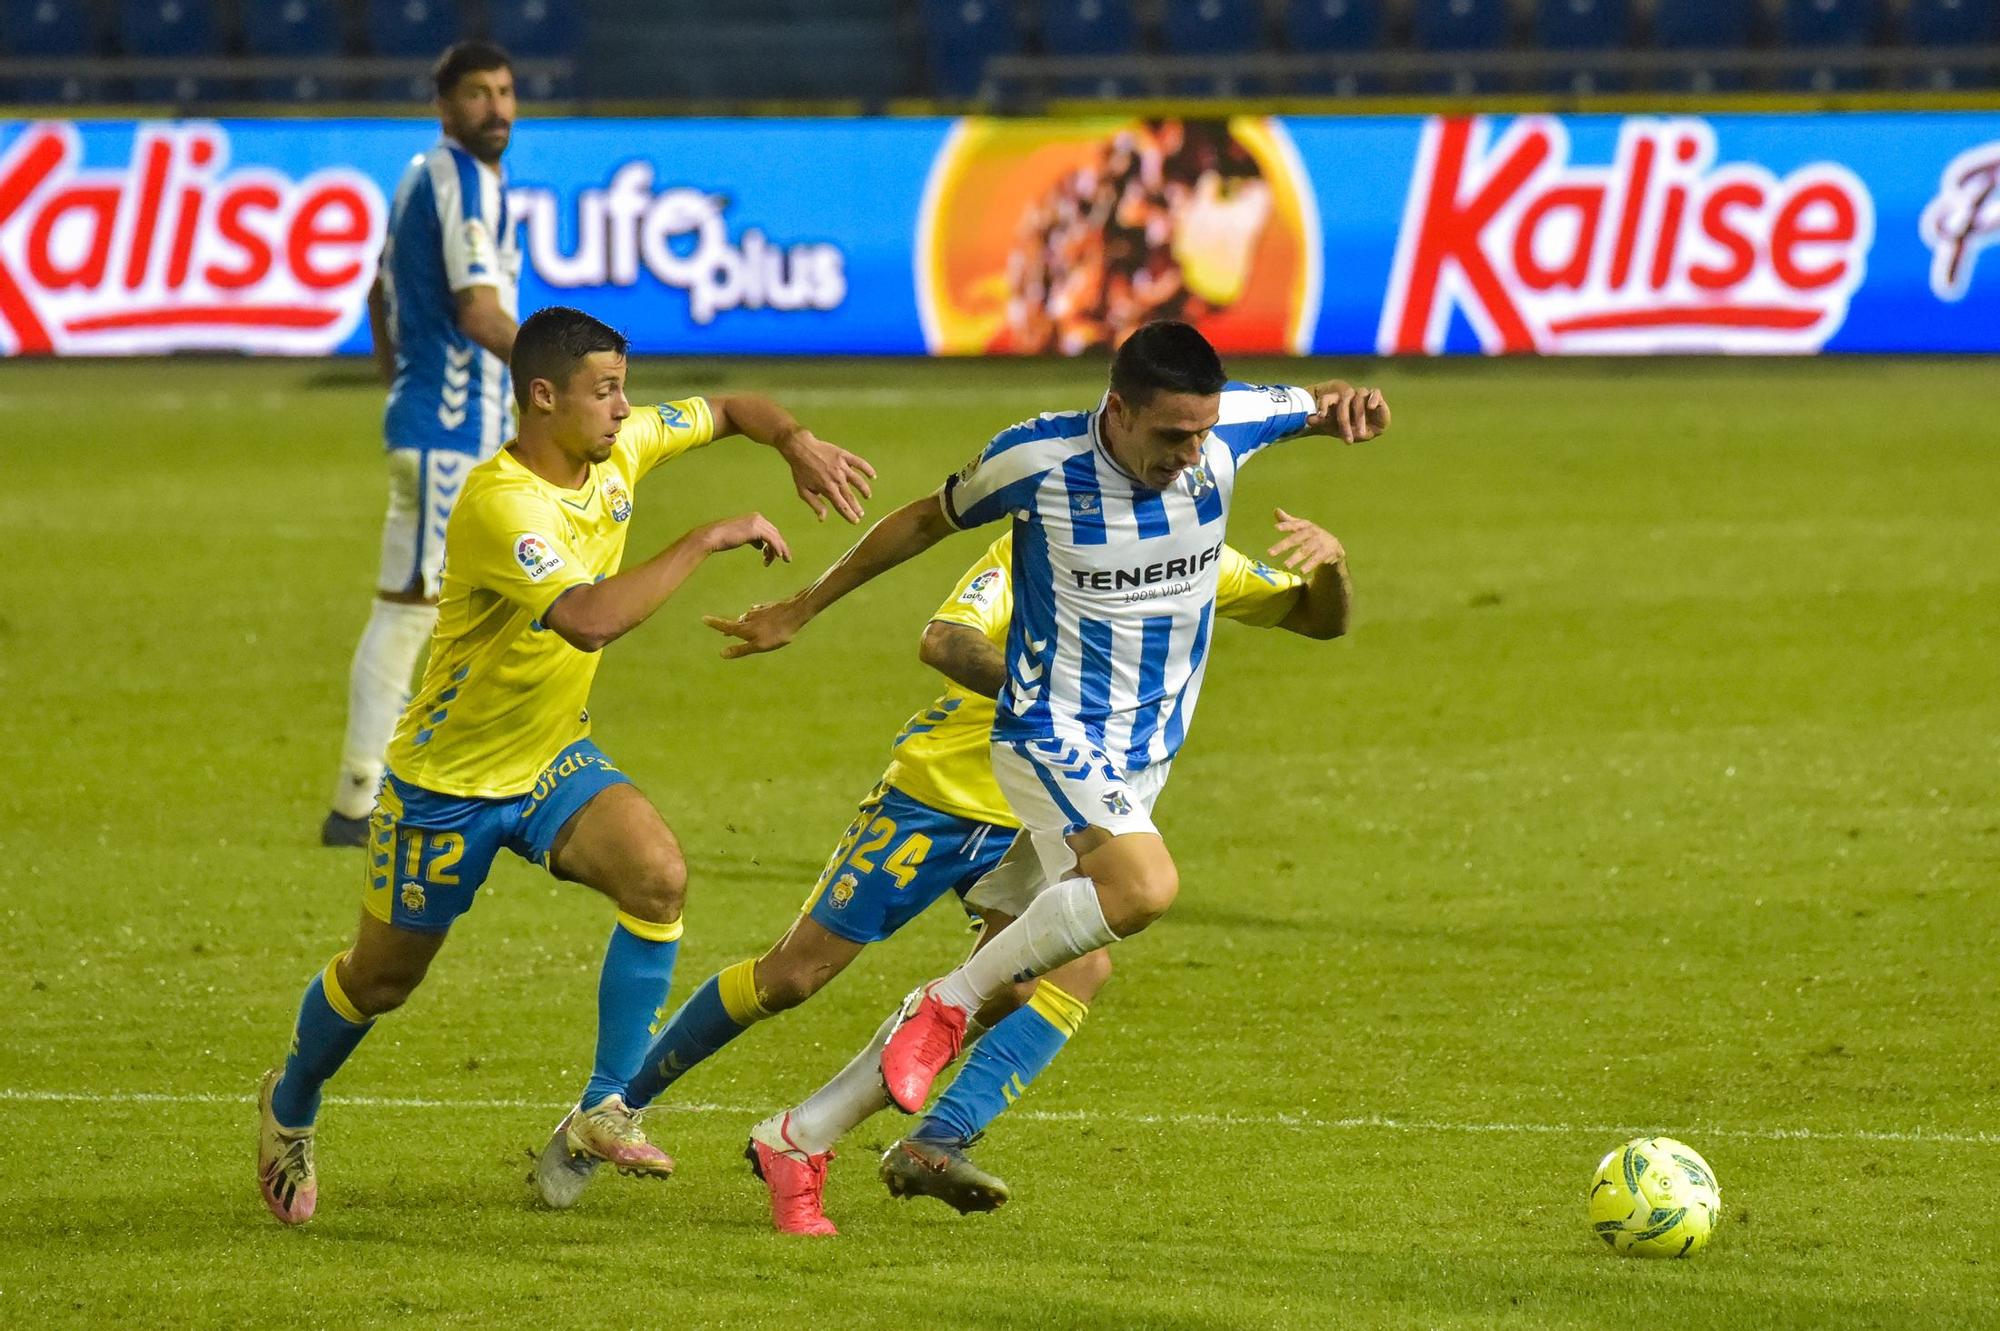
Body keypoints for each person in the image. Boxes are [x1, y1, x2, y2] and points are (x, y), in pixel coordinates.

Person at [706, 320, 1389, 1194]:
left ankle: (800, 1134)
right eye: (1171, 435)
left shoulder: (1239, 424)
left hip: (1140, 762)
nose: (1190, 453)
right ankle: (942, 1007)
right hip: (1049, 731)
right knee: (1143, 887)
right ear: (1120, 408)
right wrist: (802, 607)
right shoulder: (1036, 462)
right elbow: (921, 521)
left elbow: (1327, 410)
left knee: (1073, 962)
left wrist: (1354, 412)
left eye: (1203, 434)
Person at [534, 514, 1352, 1233]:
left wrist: (1332, 568)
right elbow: (943, 638)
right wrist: (1047, 697)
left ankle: (933, 1137)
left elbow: (1317, 617)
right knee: (792, 977)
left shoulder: (1202, 558)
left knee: (1069, 970)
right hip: (941, 796)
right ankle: (610, 1109)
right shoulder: (1042, 547)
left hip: (1052, 809)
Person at [257, 306, 877, 1226]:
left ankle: (603, 1108)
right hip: (448, 785)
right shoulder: (500, 503)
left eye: (625, 386)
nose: (627, 409)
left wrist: (794, 439)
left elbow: (734, 406)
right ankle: (289, 1101)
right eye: (606, 390)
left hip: (549, 758)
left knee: (658, 876)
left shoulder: (619, 448)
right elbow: (588, 616)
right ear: (543, 397)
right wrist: (705, 537)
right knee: (382, 979)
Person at [322, 40, 526, 847]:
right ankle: (357, 802)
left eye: (507, 91)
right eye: (478, 94)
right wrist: (566, 374)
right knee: (411, 611)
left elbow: (379, 288)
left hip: (442, 425)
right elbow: (479, 311)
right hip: (451, 432)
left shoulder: (420, 177)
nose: (498, 108)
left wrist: (396, 377)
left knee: (496, 604)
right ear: (444, 103)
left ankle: (466, 781)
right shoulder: (461, 180)